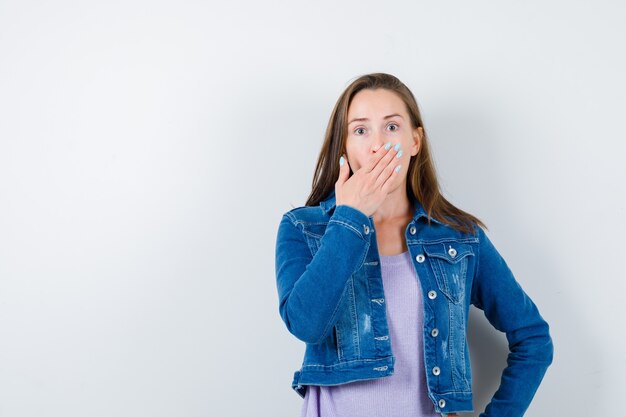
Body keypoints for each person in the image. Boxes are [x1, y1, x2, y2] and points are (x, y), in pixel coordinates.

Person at [274, 73, 553, 417]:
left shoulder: (460, 237)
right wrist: (351, 218)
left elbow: (534, 340)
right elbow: (305, 324)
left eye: (391, 127)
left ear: (415, 141)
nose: (378, 145)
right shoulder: (303, 228)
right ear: (344, 146)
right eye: (360, 130)